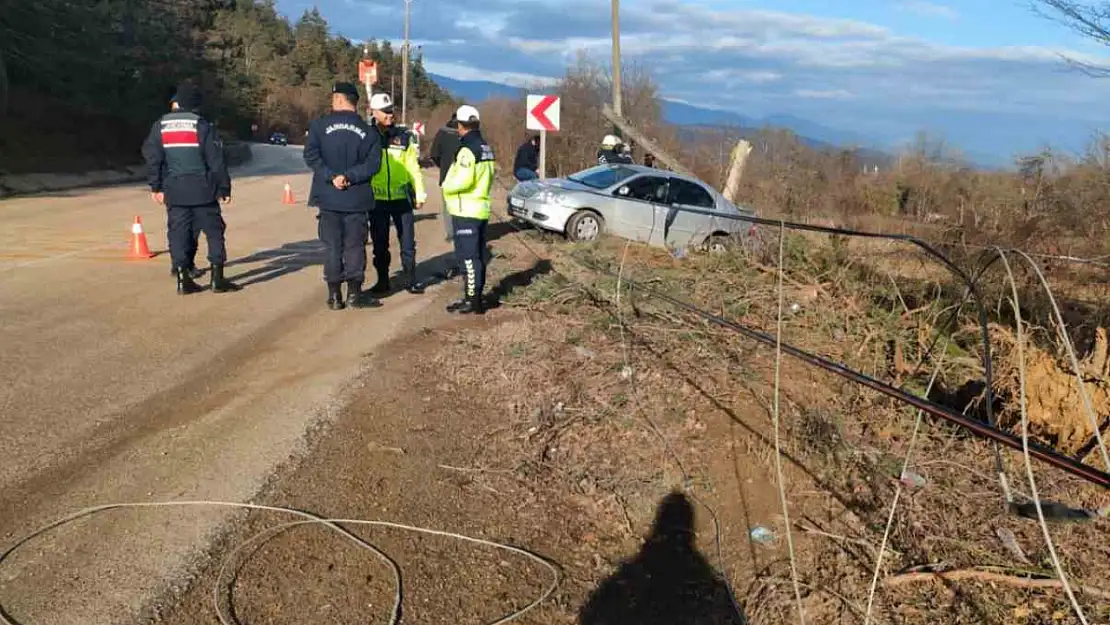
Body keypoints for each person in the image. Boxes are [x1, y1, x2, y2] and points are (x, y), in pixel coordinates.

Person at [142, 82, 239, 295]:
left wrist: (156, 186)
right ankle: (217, 278)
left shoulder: (160, 125)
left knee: (178, 234)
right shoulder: (202, 125)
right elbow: (216, 160)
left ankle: (183, 279)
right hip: (203, 189)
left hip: (174, 190)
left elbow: (153, 158)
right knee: (214, 232)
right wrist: (224, 188)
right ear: (195, 105)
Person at [303, 82, 382, 310]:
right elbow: (373, 165)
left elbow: (311, 156)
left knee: (332, 247)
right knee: (355, 246)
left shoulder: (319, 126)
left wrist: (332, 176)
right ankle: (355, 294)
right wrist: (349, 176)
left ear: (339, 99)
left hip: (328, 198)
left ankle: (334, 295)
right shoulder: (369, 132)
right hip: (356, 198)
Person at [366, 92, 427, 295]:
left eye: (391, 110)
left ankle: (411, 279)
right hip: (377, 200)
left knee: (408, 242)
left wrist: (420, 193)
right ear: (373, 112)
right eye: (385, 112)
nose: (390, 114)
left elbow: (413, 167)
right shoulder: (367, 136)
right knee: (380, 244)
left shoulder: (403, 136)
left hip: (401, 198)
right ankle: (383, 281)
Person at [442, 104, 495, 315]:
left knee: (469, 258)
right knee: (478, 256)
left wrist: (446, 185)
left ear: (461, 125)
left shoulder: (467, 150)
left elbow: (463, 180)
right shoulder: (486, 147)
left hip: (466, 210)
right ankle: (474, 297)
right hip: (479, 208)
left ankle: (473, 300)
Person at [430, 113, 462, 277]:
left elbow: (434, 154)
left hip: (447, 177)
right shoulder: (468, 133)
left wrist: (443, 165)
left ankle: (451, 234)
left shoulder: (442, 132)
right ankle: (462, 232)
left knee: (448, 208)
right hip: (465, 179)